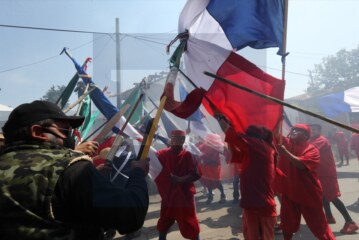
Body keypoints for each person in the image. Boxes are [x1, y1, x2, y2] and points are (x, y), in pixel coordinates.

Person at [0, 100, 149, 239]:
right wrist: (138, 173)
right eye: (65, 131)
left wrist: (93, 178)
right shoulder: (71, 169)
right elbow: (131, 216)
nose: (69, 137)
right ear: (38, 132)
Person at [215, 113, 277, 240]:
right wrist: (230, 138)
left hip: (260, 205)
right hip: (254, 204)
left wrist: (220, 117)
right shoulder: (262, 148)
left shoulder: (258, 144)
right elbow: (236, 154)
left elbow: (231, 133)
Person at [276, 124, 335, 240]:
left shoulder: (312, 150)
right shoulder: (286, 144)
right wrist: (278, 118)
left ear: (307, 136)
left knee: (320, 228)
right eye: (293, 129)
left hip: (309, 194)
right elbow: (273, 131)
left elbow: (301, 165)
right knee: (287, 225)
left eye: (299, 130)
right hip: (290, 193)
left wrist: (285, 153)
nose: (294, 131)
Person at [309, 124, 359, 234]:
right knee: (323, 195)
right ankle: (329, 216)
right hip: (319, 173)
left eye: (314, 129)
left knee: (332, 197)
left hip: (326, 173)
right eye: (310, 130)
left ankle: (350, 222)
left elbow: (310, 149)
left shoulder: (320, 140)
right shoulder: (313, 139)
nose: (312, 131)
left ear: (319, 130)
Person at [155, 130, 201, 240]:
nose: (174, 140)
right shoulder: (163, 153)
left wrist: (180, 179)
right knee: (164, 221)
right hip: (169, 196)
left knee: (190, 222)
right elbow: (152, 159)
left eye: (177, 138)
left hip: (184, 197)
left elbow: (196, 174)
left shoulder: (188, 155)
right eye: (173, 138)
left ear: (183, 140)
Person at [197, 133, 226, 204]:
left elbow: (217, 155)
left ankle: (223, 195)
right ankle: (210, 196)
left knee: (217, 181)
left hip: (214, 166)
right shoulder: (204, 145)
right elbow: (198, 151)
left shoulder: (216, 146)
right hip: (206, 166)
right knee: (208, 181)